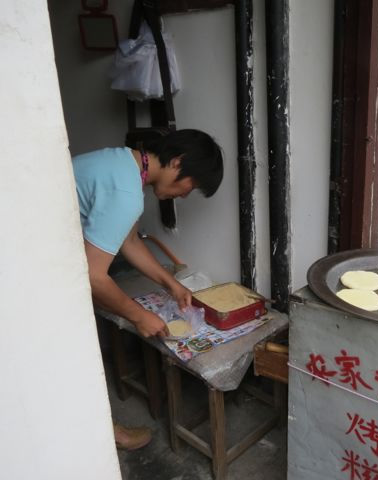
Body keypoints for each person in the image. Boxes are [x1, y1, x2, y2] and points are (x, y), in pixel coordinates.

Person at [72, 129, 224, 450]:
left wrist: (172, 283)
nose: (184, 196)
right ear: (177, 162)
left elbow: (128, 242)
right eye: (190, 186)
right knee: (67, 353)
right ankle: (97, 436)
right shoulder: (126, 191)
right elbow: (94, 276)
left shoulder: (124, 165)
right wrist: (138, 315)